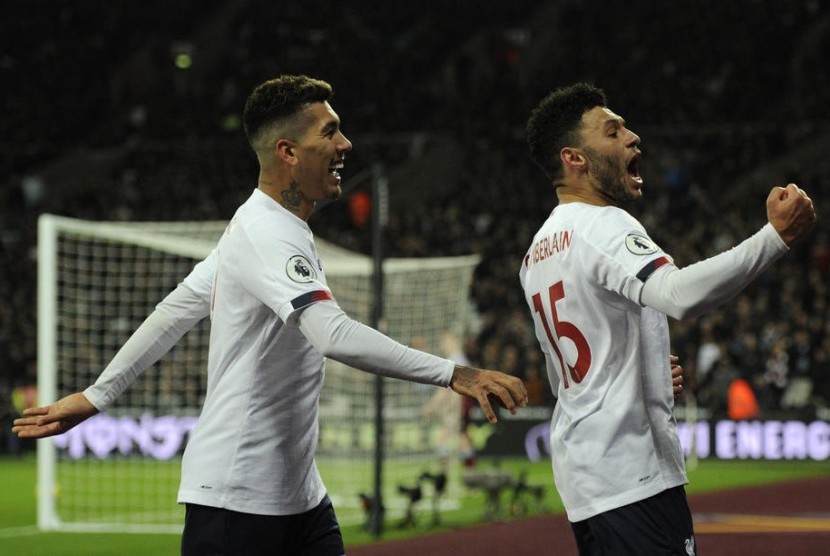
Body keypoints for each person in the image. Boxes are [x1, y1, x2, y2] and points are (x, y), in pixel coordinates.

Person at [13, 75, 528, 556]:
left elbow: (174, 311)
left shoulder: (262, 228)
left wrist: (98, 395)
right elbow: (331, 333)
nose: (346, 145)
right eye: (331, 132)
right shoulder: (267, 233)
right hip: (239, 497)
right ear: (288, 151)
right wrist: (455, 372)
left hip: (296, 492)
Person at [520, 82, 815, 555]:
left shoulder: (535, 253)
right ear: (574, 158)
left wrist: (646, 375)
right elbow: (677, 295)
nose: (633, 137)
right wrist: (774, 238)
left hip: (586, 481)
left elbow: (567, 379)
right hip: (632, 472)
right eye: (613, 132)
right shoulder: (603, 224)